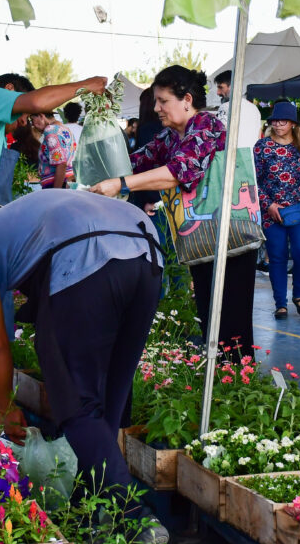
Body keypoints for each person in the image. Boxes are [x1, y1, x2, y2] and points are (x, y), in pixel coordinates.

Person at [0, 190, 163, 499]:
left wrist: (6, 409)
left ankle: (135, 519)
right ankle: (91, 508)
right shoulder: (31, 216)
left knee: (74, 400)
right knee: (110, 400)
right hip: (147, 249)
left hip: (84, 252)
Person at [0, 72, 106, 400]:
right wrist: (86, 86)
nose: (25, 120)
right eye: (22, 113)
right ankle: (0, 423)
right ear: (9, 92)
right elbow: (38, 101)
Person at [91, 66, 255, 357]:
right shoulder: (171, 137)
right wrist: (99, 161)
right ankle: (220, 385)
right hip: (204, 236)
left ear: (187, 100)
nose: (156, 109)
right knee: (209, 317)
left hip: (230, 233)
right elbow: (137, 160)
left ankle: (240, 382)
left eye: (162, 101)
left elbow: (178, 172)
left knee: (232, 323)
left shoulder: (207, 125)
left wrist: (120, 184)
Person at [254, 101, 300, 319]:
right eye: (274, 120)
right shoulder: (262, 147)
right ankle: (280, 303)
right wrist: (268, 204)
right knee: (277, 256)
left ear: (292, 124)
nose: (278, 124)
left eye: (283, 120)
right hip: (272, 211)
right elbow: (253, 180)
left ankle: (299, 294)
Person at [214, 70, 263, 148]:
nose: (218, 92)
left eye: (221, 87)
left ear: (232, 86)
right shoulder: (254, 108)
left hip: (233, 156)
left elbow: (221, 135)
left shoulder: (226, 106)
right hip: (250, 157)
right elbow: (259, 136)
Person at [34, 111, 76, 189]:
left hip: (56, 184)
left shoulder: (50, 129)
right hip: (67, 183)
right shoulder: (64, 128)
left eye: (32, 119)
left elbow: (61, 163)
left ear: (41, 116)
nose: (33, 124)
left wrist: (56, 191)